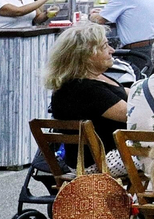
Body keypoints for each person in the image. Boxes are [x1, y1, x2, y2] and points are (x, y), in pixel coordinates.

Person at [45, 23, 129, 158]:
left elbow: (132, 93)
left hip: (109, 153)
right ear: (85, 55)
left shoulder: (92, 79)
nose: (112, 50)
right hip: (101, 159)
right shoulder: (83, 89)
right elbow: (132, 114)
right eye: (104, 46)